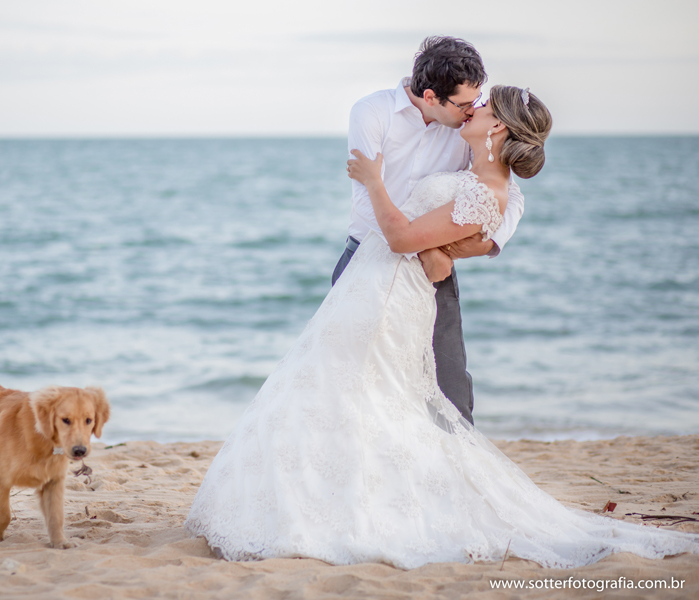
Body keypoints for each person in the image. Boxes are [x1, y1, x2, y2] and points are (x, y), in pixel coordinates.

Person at [184, 85, 699, 569]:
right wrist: (434, 245)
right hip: (372, 282)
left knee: (381, 397)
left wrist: (374, 183)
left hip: (389, 294)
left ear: (498, 130)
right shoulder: (470, 165)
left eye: (484, 108)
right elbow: (432, 245)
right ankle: (326, 499)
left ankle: (380, 508)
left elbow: (409, 236)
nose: (472, 109)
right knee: (338, 394)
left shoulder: (494, 191)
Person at [333, 36, 525, 425]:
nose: (472, 110)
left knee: (450, 383)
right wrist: (422, 248)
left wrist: (465, 248)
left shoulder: (468, 129)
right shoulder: (372, 113)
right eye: (464, 103)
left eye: (477, 99)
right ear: (430, 95)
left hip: (434, 274)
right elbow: (367, 199)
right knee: (354, 381)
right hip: (366, 262)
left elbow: (507, 194)